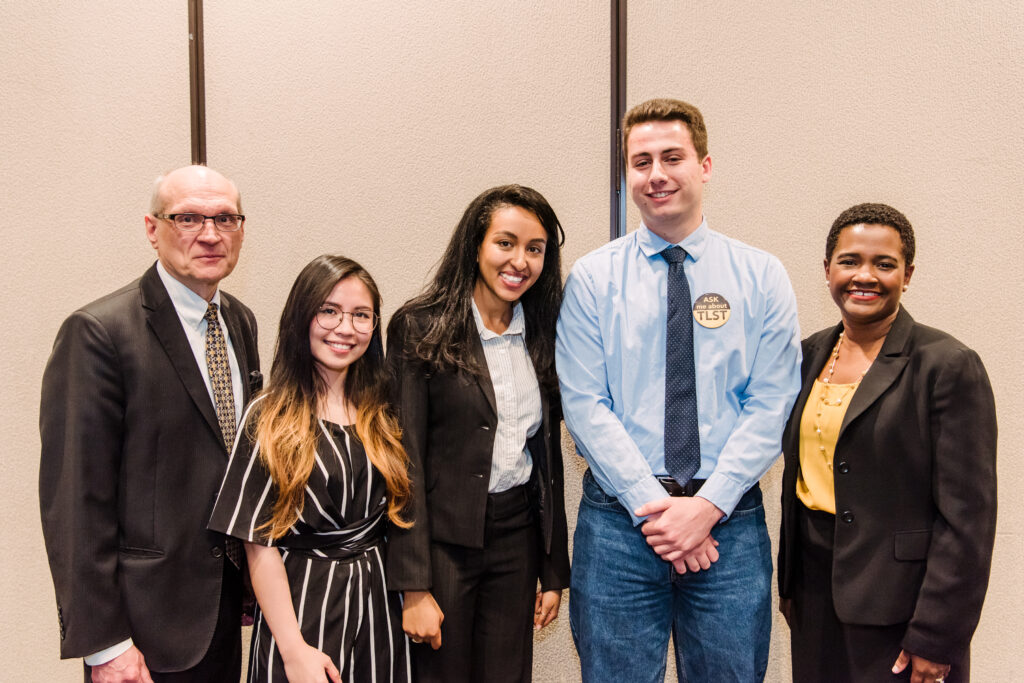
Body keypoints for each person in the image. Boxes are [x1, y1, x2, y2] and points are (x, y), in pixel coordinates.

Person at [556, 98, 801, 682]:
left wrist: (707, 508)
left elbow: (772, 404)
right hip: (619, 526)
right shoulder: (593, 279)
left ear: (705, 166)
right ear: (627, 177)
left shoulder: (761, 276)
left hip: (729, 526)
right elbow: (586, 405)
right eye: (641, 162)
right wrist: (659, 511)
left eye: (672, 157)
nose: (657, 174)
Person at [39, 165, 260, 682]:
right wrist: (105, 645)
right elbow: (75, 502)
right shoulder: (98, 333)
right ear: (151, 228)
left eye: (225, 218)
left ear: (242, 230)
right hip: (143, 630)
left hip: (226, 612)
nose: (210, 234)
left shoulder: (240, 321)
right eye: (188, 218)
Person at [777, 203, 997, 683]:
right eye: (850, 260)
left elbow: (968, 518)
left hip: (901, 606)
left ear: (908, 274)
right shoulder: (808, 354)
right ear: (828, 269)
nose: (865, 276)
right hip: (814, 595)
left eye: (884, 263)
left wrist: (937, 635)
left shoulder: (947, 364)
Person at [385, 184, 570, 682]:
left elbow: (548, 458)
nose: (520, 261)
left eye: (535, 249)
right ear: (475, 245)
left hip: (517, 536)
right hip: (444, 543)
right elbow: (404, 463)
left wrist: (553, 571)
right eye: (505, 242)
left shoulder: (544, 331)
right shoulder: (419, 327)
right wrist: (414, 586)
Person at [209, 254, 411, 683]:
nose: (345, 328)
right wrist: (293, 648)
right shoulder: (269, 416)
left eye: (361, 315)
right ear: (302, 317)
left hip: (379, 610)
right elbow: (257, 544)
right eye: (329, 311)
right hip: (302, 610)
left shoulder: (386, 411)